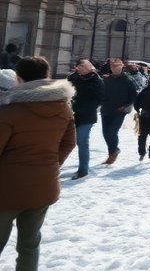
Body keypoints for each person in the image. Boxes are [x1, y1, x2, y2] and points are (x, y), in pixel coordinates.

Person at [0, 56, 75, 271]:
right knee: (30, 244)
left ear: (18, 78)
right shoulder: (64, 107)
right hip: (44, 186)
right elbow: (69, 143)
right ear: (47, 76)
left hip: (6, 190)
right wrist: (49, 166)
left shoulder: (8, 111)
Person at [66, 59, 102, 180]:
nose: (80, 67)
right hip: (68, 115)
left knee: (82, 142)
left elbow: (99, 100)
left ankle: (83, 170)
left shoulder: (97, 80)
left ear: (90, 67)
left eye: (83, 65)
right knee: (64, 141)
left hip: (86, 116)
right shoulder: (72, 78)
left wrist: (79, 108)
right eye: (79, 66)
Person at [97, 58, 136, 166]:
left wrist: (124, 105)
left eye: (117, 66)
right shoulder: (106, 79)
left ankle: (112, 153)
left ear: (122, 67)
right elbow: (100, 92)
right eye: (113, 66)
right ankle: (114, 151)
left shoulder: (127, 80)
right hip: (106, 109)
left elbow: (133, 96)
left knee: (112, 132)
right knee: (105, 133)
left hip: (119, 111)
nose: (115, 68)